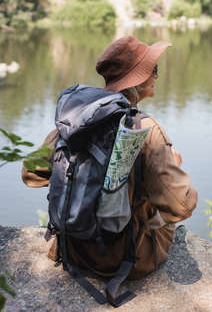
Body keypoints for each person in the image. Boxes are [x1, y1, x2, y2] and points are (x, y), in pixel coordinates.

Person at [22, 35, 197, 280]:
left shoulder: (76, 119)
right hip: (124, 259)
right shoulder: (144, 128)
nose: (157, 76)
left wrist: (78, 177)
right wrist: (170, 170)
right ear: (136, 79)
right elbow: (180, 206)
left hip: (73, 250)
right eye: (153, 70)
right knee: (167, 216)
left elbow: (30, 174)